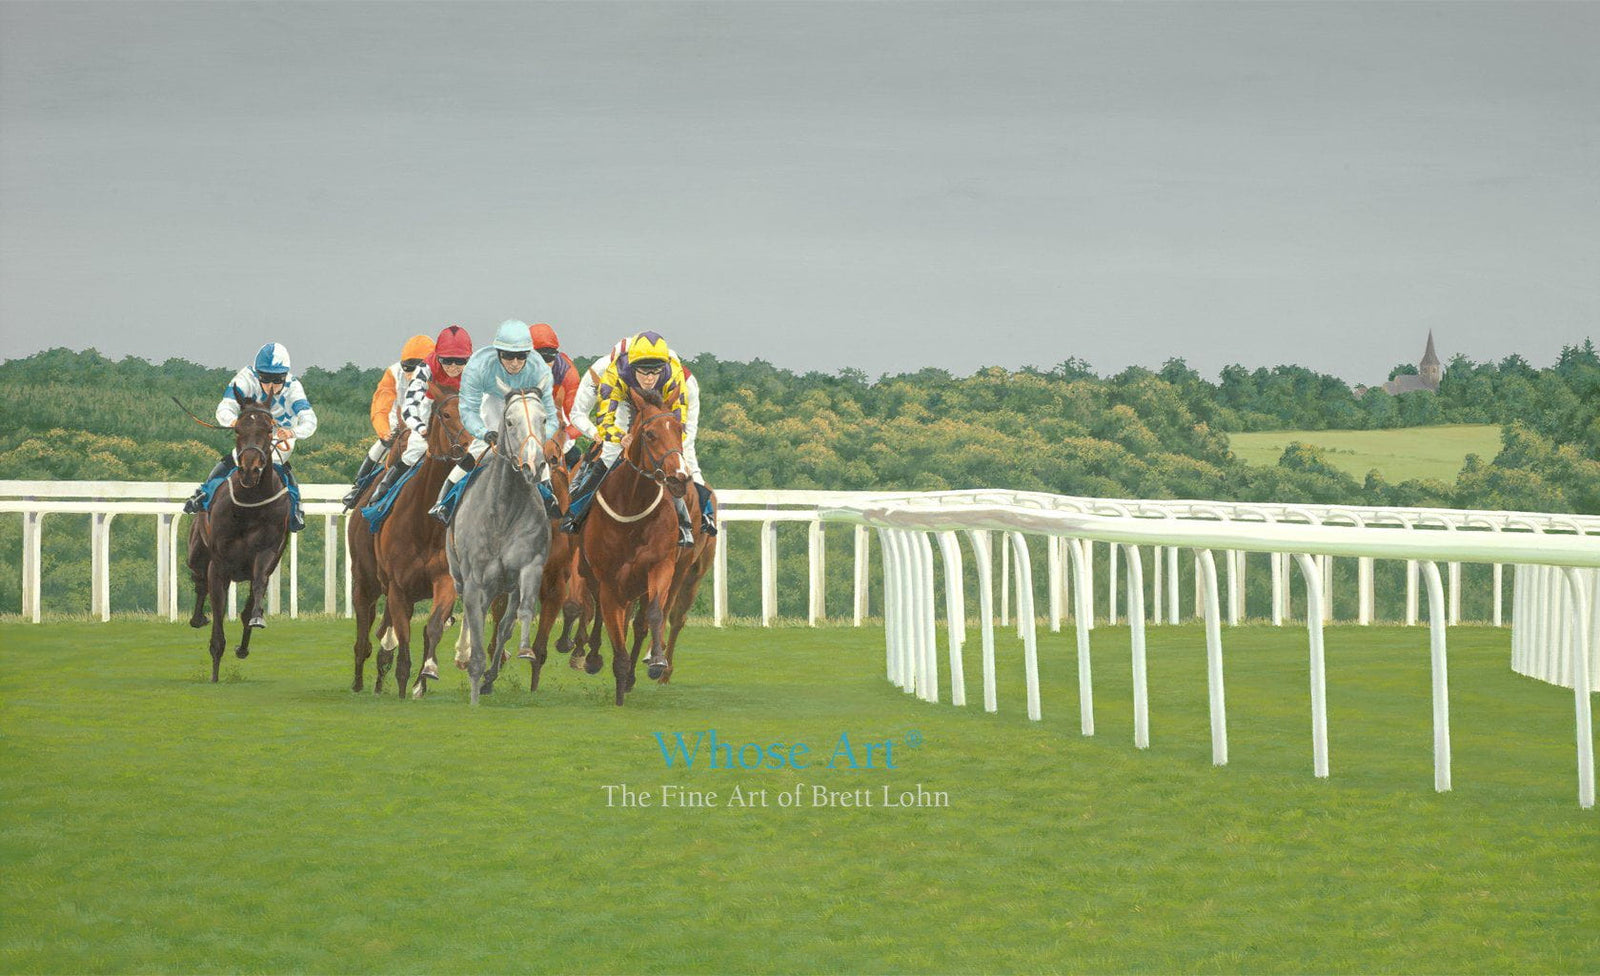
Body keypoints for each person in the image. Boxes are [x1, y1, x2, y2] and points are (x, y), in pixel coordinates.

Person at [562, 330, 713, 546]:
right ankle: (575, 513)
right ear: (631, 366)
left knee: (684, 454)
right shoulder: (611, 373)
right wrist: (619, 436)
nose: (650, 378)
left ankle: (691, 521)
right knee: (611, 453)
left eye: (655, 371)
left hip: (668, 398)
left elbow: (677, 422)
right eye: (644, 371)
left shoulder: (675, 375)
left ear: (664, 367)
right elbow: (605, 418)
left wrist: (670, 441)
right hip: (625, 397)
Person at [426, 320, 561, 524]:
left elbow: (550, 416)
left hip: (526, 404)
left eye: (521, 356)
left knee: (535, 450)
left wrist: (538, 438)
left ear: (528, 354)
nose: (514, 362)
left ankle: (549, 497)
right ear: (498, 353)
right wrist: (483, 432)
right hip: (494, 402)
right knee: (480, 450)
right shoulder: (478, 367)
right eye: (508, 356)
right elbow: (468, 410)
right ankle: (444, 501)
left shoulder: (539, 369)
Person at [182, 342, 317, 531]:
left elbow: (310, 420)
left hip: (279, 435)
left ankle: (295, 509)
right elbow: (225, 407)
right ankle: (203, 494)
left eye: (277, 379)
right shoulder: (245, 378)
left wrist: (292, 432)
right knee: (236, 458)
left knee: (277, 464)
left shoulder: (293, 387)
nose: (271, 385)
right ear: (257, 373)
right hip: (250, 433)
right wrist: (233, 421)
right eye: (266, 378)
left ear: (285, 375)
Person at [366, 324, 472, 505]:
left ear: (468, 358)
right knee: (415, 449)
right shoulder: (425, 368)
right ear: (437, 357)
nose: (453, 366)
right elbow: (409, 407)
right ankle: (381, 492)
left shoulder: (476, 370)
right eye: (447, 360)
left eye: (460, 361)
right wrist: (420, 427)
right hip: (429, 410)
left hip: (462, 412)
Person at [342, 333, 435, 508]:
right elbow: (381, 407)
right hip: (400, 425)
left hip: (429, 427)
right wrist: (385, 432)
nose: (413, 373)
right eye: (408, 367)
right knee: (381, 445)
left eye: (419, 367)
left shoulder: (440, 373)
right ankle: (358, 487)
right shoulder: (393, 373)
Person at [529, 323, 583, 465]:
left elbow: (577, 420)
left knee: (572, 456)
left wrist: (560, 439)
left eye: (548, 358)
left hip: (556, 428)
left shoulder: (569, 374)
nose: (544, 365)